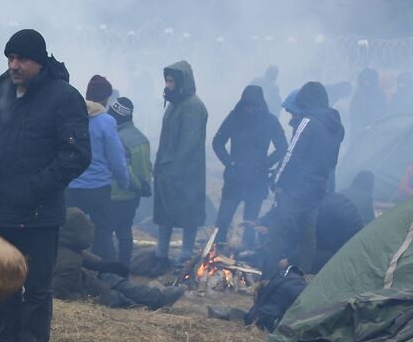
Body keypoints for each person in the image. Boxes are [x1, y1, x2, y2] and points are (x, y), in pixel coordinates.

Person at [0, 28, 90, 342]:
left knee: (35, 285)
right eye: (10, 58)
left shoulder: (63, 97)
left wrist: (35, 188)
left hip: (38, 213)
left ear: (39, 61)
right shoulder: (1, 88)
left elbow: (76, 154)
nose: (14, 65)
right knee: (1, 282)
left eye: (21, 59)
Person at [265, 81, 344, 271]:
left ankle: (266, 279)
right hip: (318, 188)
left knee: (277, 232)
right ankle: (302, 278)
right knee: (307, 236)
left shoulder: (308, 122)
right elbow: (331, 161)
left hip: (298, 189)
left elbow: (292, 155)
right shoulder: (337, 126)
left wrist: (277, 180)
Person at [53, 208, 185, 310]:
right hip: (85, 289)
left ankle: (158, 297)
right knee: (120, 297)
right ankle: (156, 302)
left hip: (87, 278)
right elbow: (56, 293)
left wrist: (102, 264)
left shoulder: (57, 241)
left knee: (118, 282)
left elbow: (75, 252)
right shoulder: (69, 263)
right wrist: (82, 298)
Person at [211, 84, 286, 250]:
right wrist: (230, 163)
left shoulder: (270, 120)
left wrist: (265, 164)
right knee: (223, 221)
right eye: (247, 105)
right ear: (242, 104)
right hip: (234, 179)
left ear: (260, 104)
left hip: (257, 179)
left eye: (254, 106)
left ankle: (246, 253)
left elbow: (282, 147)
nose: (250, 110)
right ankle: (216, 251)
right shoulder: (234, 117)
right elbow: (217, 142)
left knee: (250, 223)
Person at [67, 74, 130, 263]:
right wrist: (124, 181)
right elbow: (116, 158)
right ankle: (107, 276)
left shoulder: (73, 116)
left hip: (73, 187)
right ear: (106, 98)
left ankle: (73, 269)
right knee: (103, 233)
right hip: (98, 189)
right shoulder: (106, 121)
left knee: (71, 232)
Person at [153, 61, 209, 269]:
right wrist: (159, 166)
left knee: (188, 215)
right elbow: (164, 139)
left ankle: (185, 258)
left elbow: (189, 143)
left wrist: (174, 172)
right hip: (167, 169)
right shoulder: (174, 104)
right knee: (165, 215)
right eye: (166, 81)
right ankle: (161, 255)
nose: (168, 85)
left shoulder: (194, 106)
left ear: (183, 82)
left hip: (187, 173)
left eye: (171, 81)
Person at [106, 97, 152, 265]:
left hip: (117, 195)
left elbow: (124, 170)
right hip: (134, 198)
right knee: (125, 232)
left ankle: (111, 270)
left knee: (106, 234)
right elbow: (148, 167)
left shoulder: (117, 138)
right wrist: (144, 186)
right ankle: (124, 268)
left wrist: (137, 186)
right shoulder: (141, 137)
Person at [311, 189, 365, 272]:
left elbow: (316, 240)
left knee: (306, 260)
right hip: (359, 249)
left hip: (346, 254)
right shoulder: (337, 198)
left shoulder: (319, 206)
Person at [348, 68, 388, 139]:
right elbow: (353, 110)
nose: (365, 83)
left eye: (368, 81)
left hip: (373, 129)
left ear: (373, 81)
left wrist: (373, 124)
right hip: (357, 128)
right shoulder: (358, 94)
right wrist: (356, 122)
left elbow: (383, 111)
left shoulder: (380, 94)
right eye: (364, 80)